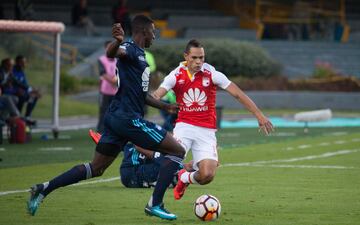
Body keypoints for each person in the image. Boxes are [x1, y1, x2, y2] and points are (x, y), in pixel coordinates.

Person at [27, 15, 185, 221]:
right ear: (143, 31)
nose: (155, 36)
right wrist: (117, 41)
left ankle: (43, 189)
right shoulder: (129, 48)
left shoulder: (140, 55)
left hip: (117, 118)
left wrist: (166, 106)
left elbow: (142, 94)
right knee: (177, 151)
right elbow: (112, 53)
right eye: (153, 31)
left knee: (97, 168)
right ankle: (155, 204)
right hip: (128, 119)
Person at [151, 39, 274, 200]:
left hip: (206, 130)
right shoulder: (175, 75)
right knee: (171, 162)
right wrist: (161, 105)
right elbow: (155, 96)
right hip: (184, 126)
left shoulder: (212, 73)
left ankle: (184, 177)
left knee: (207, 175)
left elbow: (237, 93)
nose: (198, 61)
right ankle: (155, 202)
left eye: (201, 57)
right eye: (194, 58)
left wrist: (259, 115)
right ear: (186, 56)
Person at [89, 130, 192, 188]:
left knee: (169, 165)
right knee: (167, 165)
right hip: (131, 171)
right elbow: (139, 147)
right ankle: (110, 143)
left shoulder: (174, 154)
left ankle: (109, 143)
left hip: (132, 172)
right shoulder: (171, 151)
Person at [96, 41, 118, 133]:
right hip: (104, 91)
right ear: (105, 49)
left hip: (116, 91)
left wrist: (117, 79)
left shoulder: (117, 60)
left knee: (115, 112)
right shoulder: (101, 59)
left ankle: (112, 130)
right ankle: (100, 131)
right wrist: (113, 80)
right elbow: (103, 73)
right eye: (110, 47)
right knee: (103, 111)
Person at [12, 55, 40, 124]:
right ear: (17, 62)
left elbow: (25, 85)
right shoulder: (11, 71)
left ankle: (27, 117)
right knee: (22, 96)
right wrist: (17, 90)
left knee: (34, 96)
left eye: (25, 62)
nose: (24, 64)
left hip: (22, 93)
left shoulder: (22, 72)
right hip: (13, 92)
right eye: (22, 62)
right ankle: (17, 117)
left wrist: (32, 91)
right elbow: (14, 83)